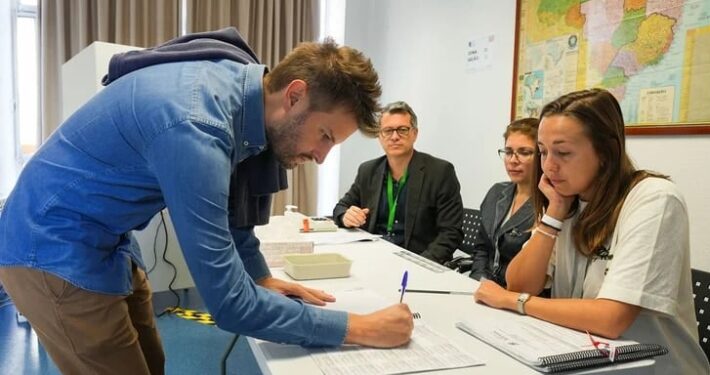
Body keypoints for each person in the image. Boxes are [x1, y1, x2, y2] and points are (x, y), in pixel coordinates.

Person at [0, 28, 413, 375]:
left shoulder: (234, 88)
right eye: (324, 135)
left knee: (150, 361)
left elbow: (233, 219)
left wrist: (260, 277)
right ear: (294, 95)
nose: (321, 158)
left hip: (107, 237)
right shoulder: (197, 126)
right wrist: (357, 327)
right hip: (50, 244)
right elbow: (229, 307)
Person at [473, 88, 709, 374]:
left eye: (563, 153)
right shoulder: (568, 199)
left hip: (651, 368)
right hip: (578, 356)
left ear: (606, 152)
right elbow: (520, 284)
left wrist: (515, 302)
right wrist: (553, 216)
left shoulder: (655, 199)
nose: (548, 166)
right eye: (543, 151)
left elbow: (610, 319)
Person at [332, 101, 463, 264]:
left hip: (417, 261)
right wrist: (346, 216)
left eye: (402, 130)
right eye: (388, 131)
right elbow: (340, 208)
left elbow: (451, 233)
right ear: (380, 136)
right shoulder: (368, 170)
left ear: (415, 134)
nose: (395, 136)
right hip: (372, 258)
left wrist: (420, 265)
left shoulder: (440, 172)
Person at [469, 118, 538, 286]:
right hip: (483, 286)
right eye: (508, 152)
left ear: (542, 154)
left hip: (517, 295)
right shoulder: (497, 192)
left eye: (524, 152)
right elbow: (482, 248)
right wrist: (478, 281)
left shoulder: (550, 205)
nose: (513, 160)